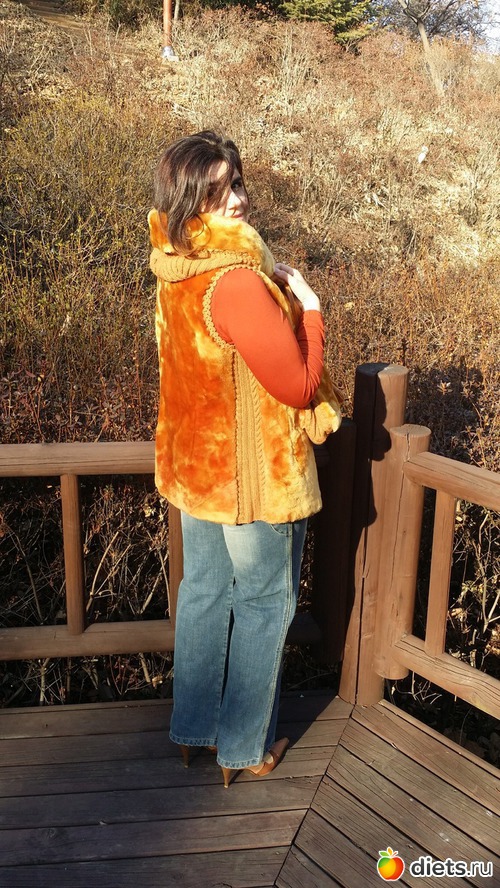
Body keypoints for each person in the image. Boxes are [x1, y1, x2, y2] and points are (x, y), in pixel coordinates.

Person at [149, 131, 341, 788]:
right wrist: (311, 311)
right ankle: (243, 748)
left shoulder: (175, 264)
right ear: (189, 198)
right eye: (218, 190)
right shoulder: (235, 281)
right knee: (263, 604)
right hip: (253, 481)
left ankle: (194, 732)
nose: (237, 198)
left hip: (199, 471)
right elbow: (300, 387)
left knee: (203, 593)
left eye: (236, 182)